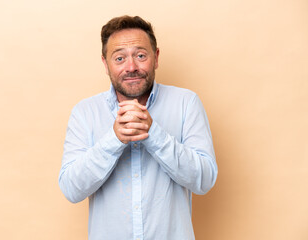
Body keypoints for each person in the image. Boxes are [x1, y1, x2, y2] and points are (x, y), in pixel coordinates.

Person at [58, 15, 218, 240]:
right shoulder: (85, 112)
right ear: (105, 64)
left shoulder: (186, 103)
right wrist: (113, 140)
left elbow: (205, 179)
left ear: (156, 57)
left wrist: (154, 134)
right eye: (120, 58)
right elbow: (71, 189)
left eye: (140, 55)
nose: (131, 67)